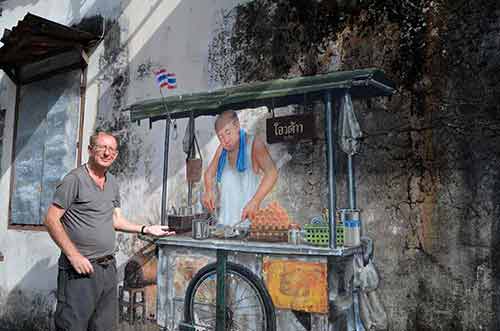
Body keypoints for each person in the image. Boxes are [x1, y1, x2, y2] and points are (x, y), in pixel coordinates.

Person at [44, 131, 174, 331]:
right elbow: (51, 219)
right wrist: (74, 256)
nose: (107, 153)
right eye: (102, 147)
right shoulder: (74, 180)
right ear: (90, 150)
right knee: (72, 326)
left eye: (112, 149)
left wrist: (147, 228)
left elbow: (116, 219)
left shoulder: (112, 182)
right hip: (80, 270)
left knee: (103, 327)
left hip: (107, 268)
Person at [202, 110, 278, 226]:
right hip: (225, 227)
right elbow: (208, 174)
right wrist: (208, 191)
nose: (225, 140)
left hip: (248, 225)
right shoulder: (222, 150)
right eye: (220, 136)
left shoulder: (253, 144)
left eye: (228, 133)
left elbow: (272, 173)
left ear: (237, 125)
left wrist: (255, 201)